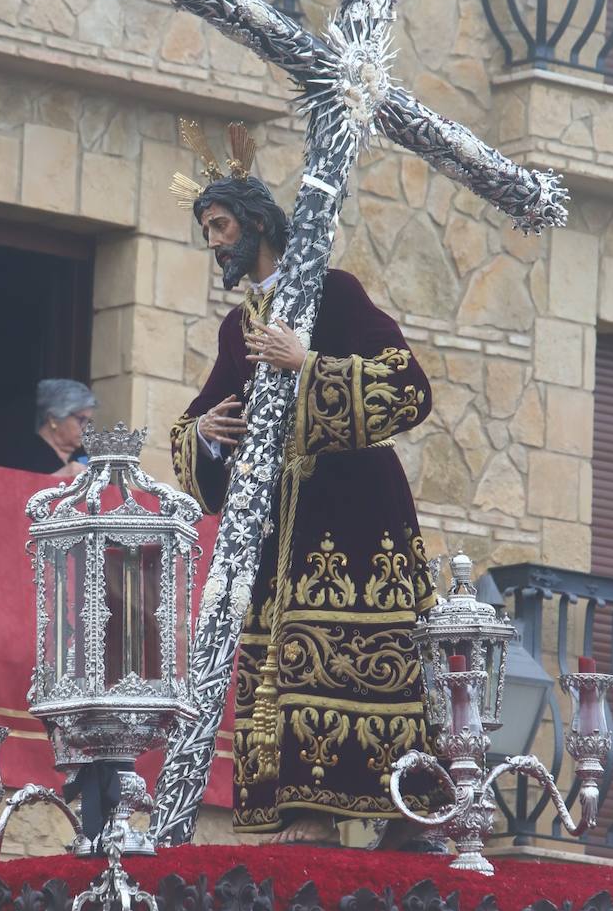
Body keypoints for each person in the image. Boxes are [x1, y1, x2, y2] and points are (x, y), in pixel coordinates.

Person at [170, 121, 437, 845]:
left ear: (256, 223)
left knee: (368, 660)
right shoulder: (239, 327)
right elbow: (199, 420)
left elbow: (408, 387)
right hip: (280, 536)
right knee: (281, 668)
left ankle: (406, 818)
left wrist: (306, 364)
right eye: (206, 230)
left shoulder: (336, 294)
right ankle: (303, 810)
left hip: (355, 516)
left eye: (220, 225)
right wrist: (204, 436)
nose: (213, 242)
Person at [21, 378, 97, 477]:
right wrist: (55, 478)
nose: (86, 428)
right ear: (53, 418)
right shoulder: (25, 454)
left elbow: (111, 490)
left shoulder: (86, 456)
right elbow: (9, 489)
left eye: (88, 421)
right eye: (81, 420)